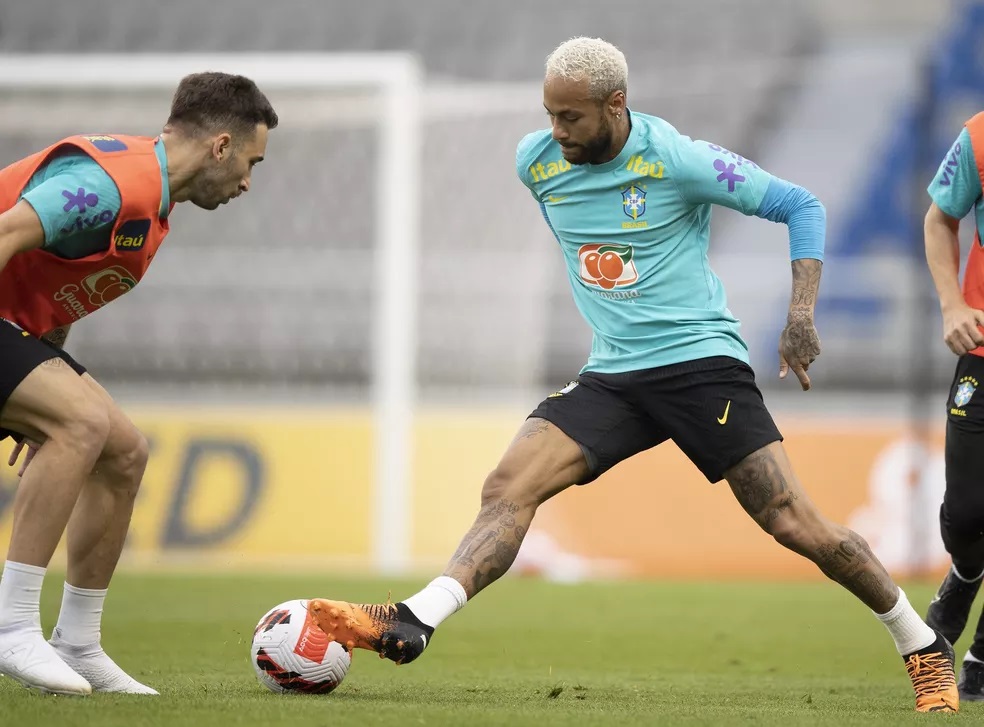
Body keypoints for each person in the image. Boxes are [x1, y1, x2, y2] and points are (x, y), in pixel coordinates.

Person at [309, 37, 957, 713]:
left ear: (616, 105)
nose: (555, 133)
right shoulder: (536, 163)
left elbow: (802, 205)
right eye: (550, 115)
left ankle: (920, 643)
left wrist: (800, 316)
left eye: (571, 119)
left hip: (701, 367)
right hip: (614, 376)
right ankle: (415, 617)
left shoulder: (677, 159)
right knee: (507, 485)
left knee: (795, 523)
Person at [0, 71, 276, 696]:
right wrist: (54, 403)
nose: (248, 184)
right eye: (251, 163)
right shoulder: (110, 184)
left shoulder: (151, 206)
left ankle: (77, 642)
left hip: (13, 328)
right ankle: (12, 626)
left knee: (123, 452)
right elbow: (7, 232)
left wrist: (34, 387)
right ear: (221, 146)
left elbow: (52, 289)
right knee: (83, 422)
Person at [923, 110, 984, 703]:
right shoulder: (980, 136)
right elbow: (941, 219)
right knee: (966, 515)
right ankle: (965, 574)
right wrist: (950, 306)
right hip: (983, 352)